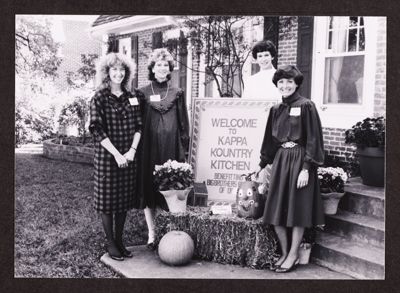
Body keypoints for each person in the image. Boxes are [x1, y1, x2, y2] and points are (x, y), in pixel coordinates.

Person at [256, 65, 325, 273]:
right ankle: (285, 252)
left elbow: (314, 139)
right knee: (275, 208)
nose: (285, 86)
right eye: (281, 82)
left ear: (296, 84)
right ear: (277, 85)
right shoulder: (276, 110)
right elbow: (269, 140)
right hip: (280, 161)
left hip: (299, 161)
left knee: (298, 210)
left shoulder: (307, 106)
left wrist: (306, 168)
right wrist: (262, 165)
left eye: (289, 82)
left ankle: (294, 254)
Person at [135, 48, 190, 249]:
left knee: (170, 190)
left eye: (165, 65)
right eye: (158, 64)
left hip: (171, 149)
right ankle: (152, 234)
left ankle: (170, 234)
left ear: (170, 69)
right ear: (152, 67)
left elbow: (183, 122)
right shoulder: (142, 93)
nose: (162, 68)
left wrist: (183, 149)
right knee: (150, 190)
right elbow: (137, 123)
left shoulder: (177, 93)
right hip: (148, 149)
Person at [89, 53, 142, 261]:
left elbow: (139, 125)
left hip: (128, 156)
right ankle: (111, 242)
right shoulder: (99, 98)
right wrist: (117, 154)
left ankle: (120, 240)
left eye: (122, 70)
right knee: (107, 201)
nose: (118, 73)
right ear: (107, 73)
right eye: (114, 70)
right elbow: (97, 129)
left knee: (123, 200)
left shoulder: (132, 96)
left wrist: (131, 151)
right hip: (108, 157)